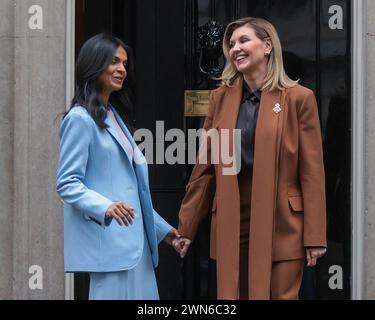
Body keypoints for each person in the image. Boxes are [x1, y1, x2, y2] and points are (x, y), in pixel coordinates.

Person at [176, 17, 327, 300]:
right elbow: (205, 169)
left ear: (267, 46)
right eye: (231, 44)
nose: (235, 49)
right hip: (234, 219)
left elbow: (312, 172)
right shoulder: (220, 99)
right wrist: (187, 226)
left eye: (244, 40)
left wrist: (315, 235)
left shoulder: (299, 99)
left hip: (282, 222)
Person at [56, 33, 181, 300]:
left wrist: (163, 230)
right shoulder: (80, 119)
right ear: (94, 63)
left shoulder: (112, 115)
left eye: (124, 63)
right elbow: (67, 182)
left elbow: (129, 190)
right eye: (114, 61)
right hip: (111, 248)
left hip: (138, 250)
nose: (122, 69)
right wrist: (105, 206)